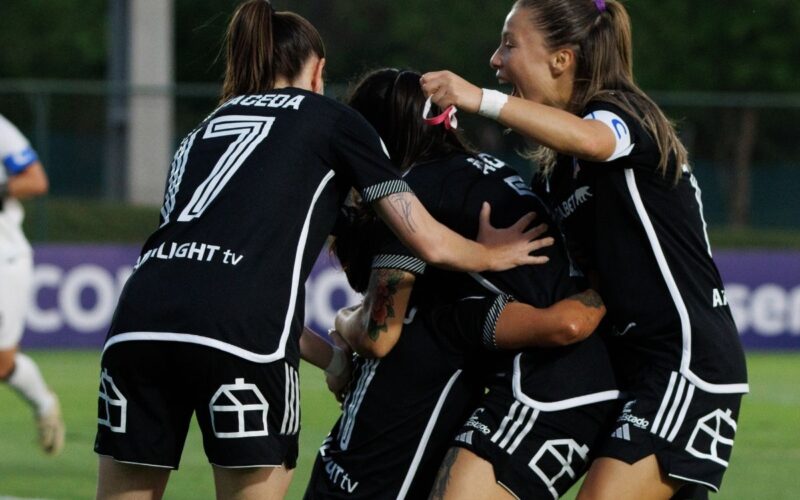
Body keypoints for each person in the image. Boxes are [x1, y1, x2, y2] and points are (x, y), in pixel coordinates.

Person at [93, 3, 550, 500]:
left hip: (135, 324)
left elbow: (207, 289)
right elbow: (426, 239)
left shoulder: (200, 134)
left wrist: (331, 357)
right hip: (242, 340)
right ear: (317, 70)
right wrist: (492, 255)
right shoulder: (330, 119)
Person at [420, 1, 748, 498]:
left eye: (510, 44)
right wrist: (484, 256)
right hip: (625, 369)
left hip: (683, 362)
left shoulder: (621, 112)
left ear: (561, 60)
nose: (495, 59)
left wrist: (477, 98)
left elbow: (595, 141)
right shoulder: (556, 173)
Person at [303, 68, 619, 500]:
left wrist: (343, 322)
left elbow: (379, 336)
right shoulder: (481, 171)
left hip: (553, 380)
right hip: (559, 364)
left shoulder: (409, 197)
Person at [0, 113, 63, 456]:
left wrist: (1, 189)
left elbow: (36, 180)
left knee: (2, 362)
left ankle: (43, 403)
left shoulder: (0, 129)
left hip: (3, 258)